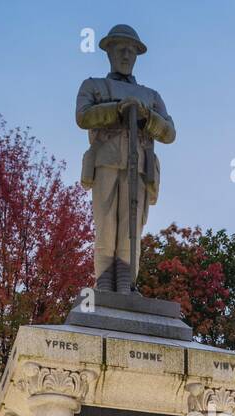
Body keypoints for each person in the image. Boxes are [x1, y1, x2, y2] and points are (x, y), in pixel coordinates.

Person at [75, 24, 176, 293]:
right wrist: (116, 110)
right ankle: (105, 279)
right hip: (106, 160)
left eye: (131, 51)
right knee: (106, 223)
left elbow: (169, 132)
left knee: (132, 227)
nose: (126, 55)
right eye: (120, 49)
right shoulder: (94, 86)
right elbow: (83, 117)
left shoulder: (151, 96)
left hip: (139, 164)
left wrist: (148, 118)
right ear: (108, 51)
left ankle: (126, 279)